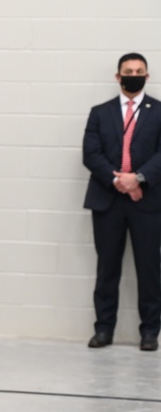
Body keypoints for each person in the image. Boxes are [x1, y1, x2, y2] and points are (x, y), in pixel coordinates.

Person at [83, 52, 161, 351]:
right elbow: (91, 154)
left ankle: (150, 331)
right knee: (107, 268)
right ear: (118, 76)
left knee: (149, 268)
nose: (134, 75)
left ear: (147, 76)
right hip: (108, 200)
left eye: (139, 71)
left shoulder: (159, 111)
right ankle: (103, 329)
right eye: (128, 71)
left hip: (149, 202)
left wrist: (138, 178)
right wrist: (120, 181)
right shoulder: (99, 112)